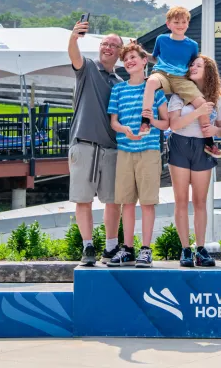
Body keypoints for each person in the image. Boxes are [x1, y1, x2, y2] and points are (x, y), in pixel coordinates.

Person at [106, 42, 169, 268]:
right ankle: (128, 249)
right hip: (125, 151)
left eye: (134, 57)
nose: (130, 61)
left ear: (144, 61)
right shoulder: (118, 89)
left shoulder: (155, 91)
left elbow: (166, 122)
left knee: (148, 203)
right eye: (126, 58)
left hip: (149, 152)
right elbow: (114, 121)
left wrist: (151, 121)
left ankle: (145, 250)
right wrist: (125, 130)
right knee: (127, 203)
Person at [68, 20, 124, 266]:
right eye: (105, 43)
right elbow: (74, 55)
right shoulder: (88, 68)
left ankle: (111, 247)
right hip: (84, 144)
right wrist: (73, 38)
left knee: (113, 200)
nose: (108, 47)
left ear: (120, 52)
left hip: (111, 148)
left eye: (114, 45)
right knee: (83, 199)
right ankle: (87, 246)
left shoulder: (121, 85)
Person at [167, 54, 221, 268]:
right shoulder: (179, 94)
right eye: (191, 64)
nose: (193, 67)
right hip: (180, 144)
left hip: (203, 147)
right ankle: (185, 249)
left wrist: (215, 130)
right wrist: (198, 112)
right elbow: (174, 124)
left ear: (208, 70)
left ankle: (200, 248)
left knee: (200, 201)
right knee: (181, 200)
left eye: (198, 65)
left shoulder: (216, 98)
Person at [140, 6, 220, 157]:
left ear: (188, 24)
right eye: (176, 22)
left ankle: (209, 141)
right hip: (162, 73)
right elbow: (154, 58)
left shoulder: (192, 45)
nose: (180, 25)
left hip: (181, 79)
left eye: (183, 22)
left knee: (202, 104)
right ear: (168, 24)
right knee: (150, 82)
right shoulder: (161, 39)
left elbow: (192, 63)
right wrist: (141, 53)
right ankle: (145, 120)